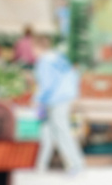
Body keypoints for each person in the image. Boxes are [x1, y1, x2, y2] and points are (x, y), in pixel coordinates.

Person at [33, 36, 83, 173]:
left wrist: (38, 99)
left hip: (53, 100)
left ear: (38, 48)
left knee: (61, 132)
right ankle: (41, 165)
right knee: (48, 131)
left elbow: (46, 85)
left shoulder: (44, 62)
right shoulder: (60, 58)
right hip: (65, 98)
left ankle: (76, 164)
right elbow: (74, 74)